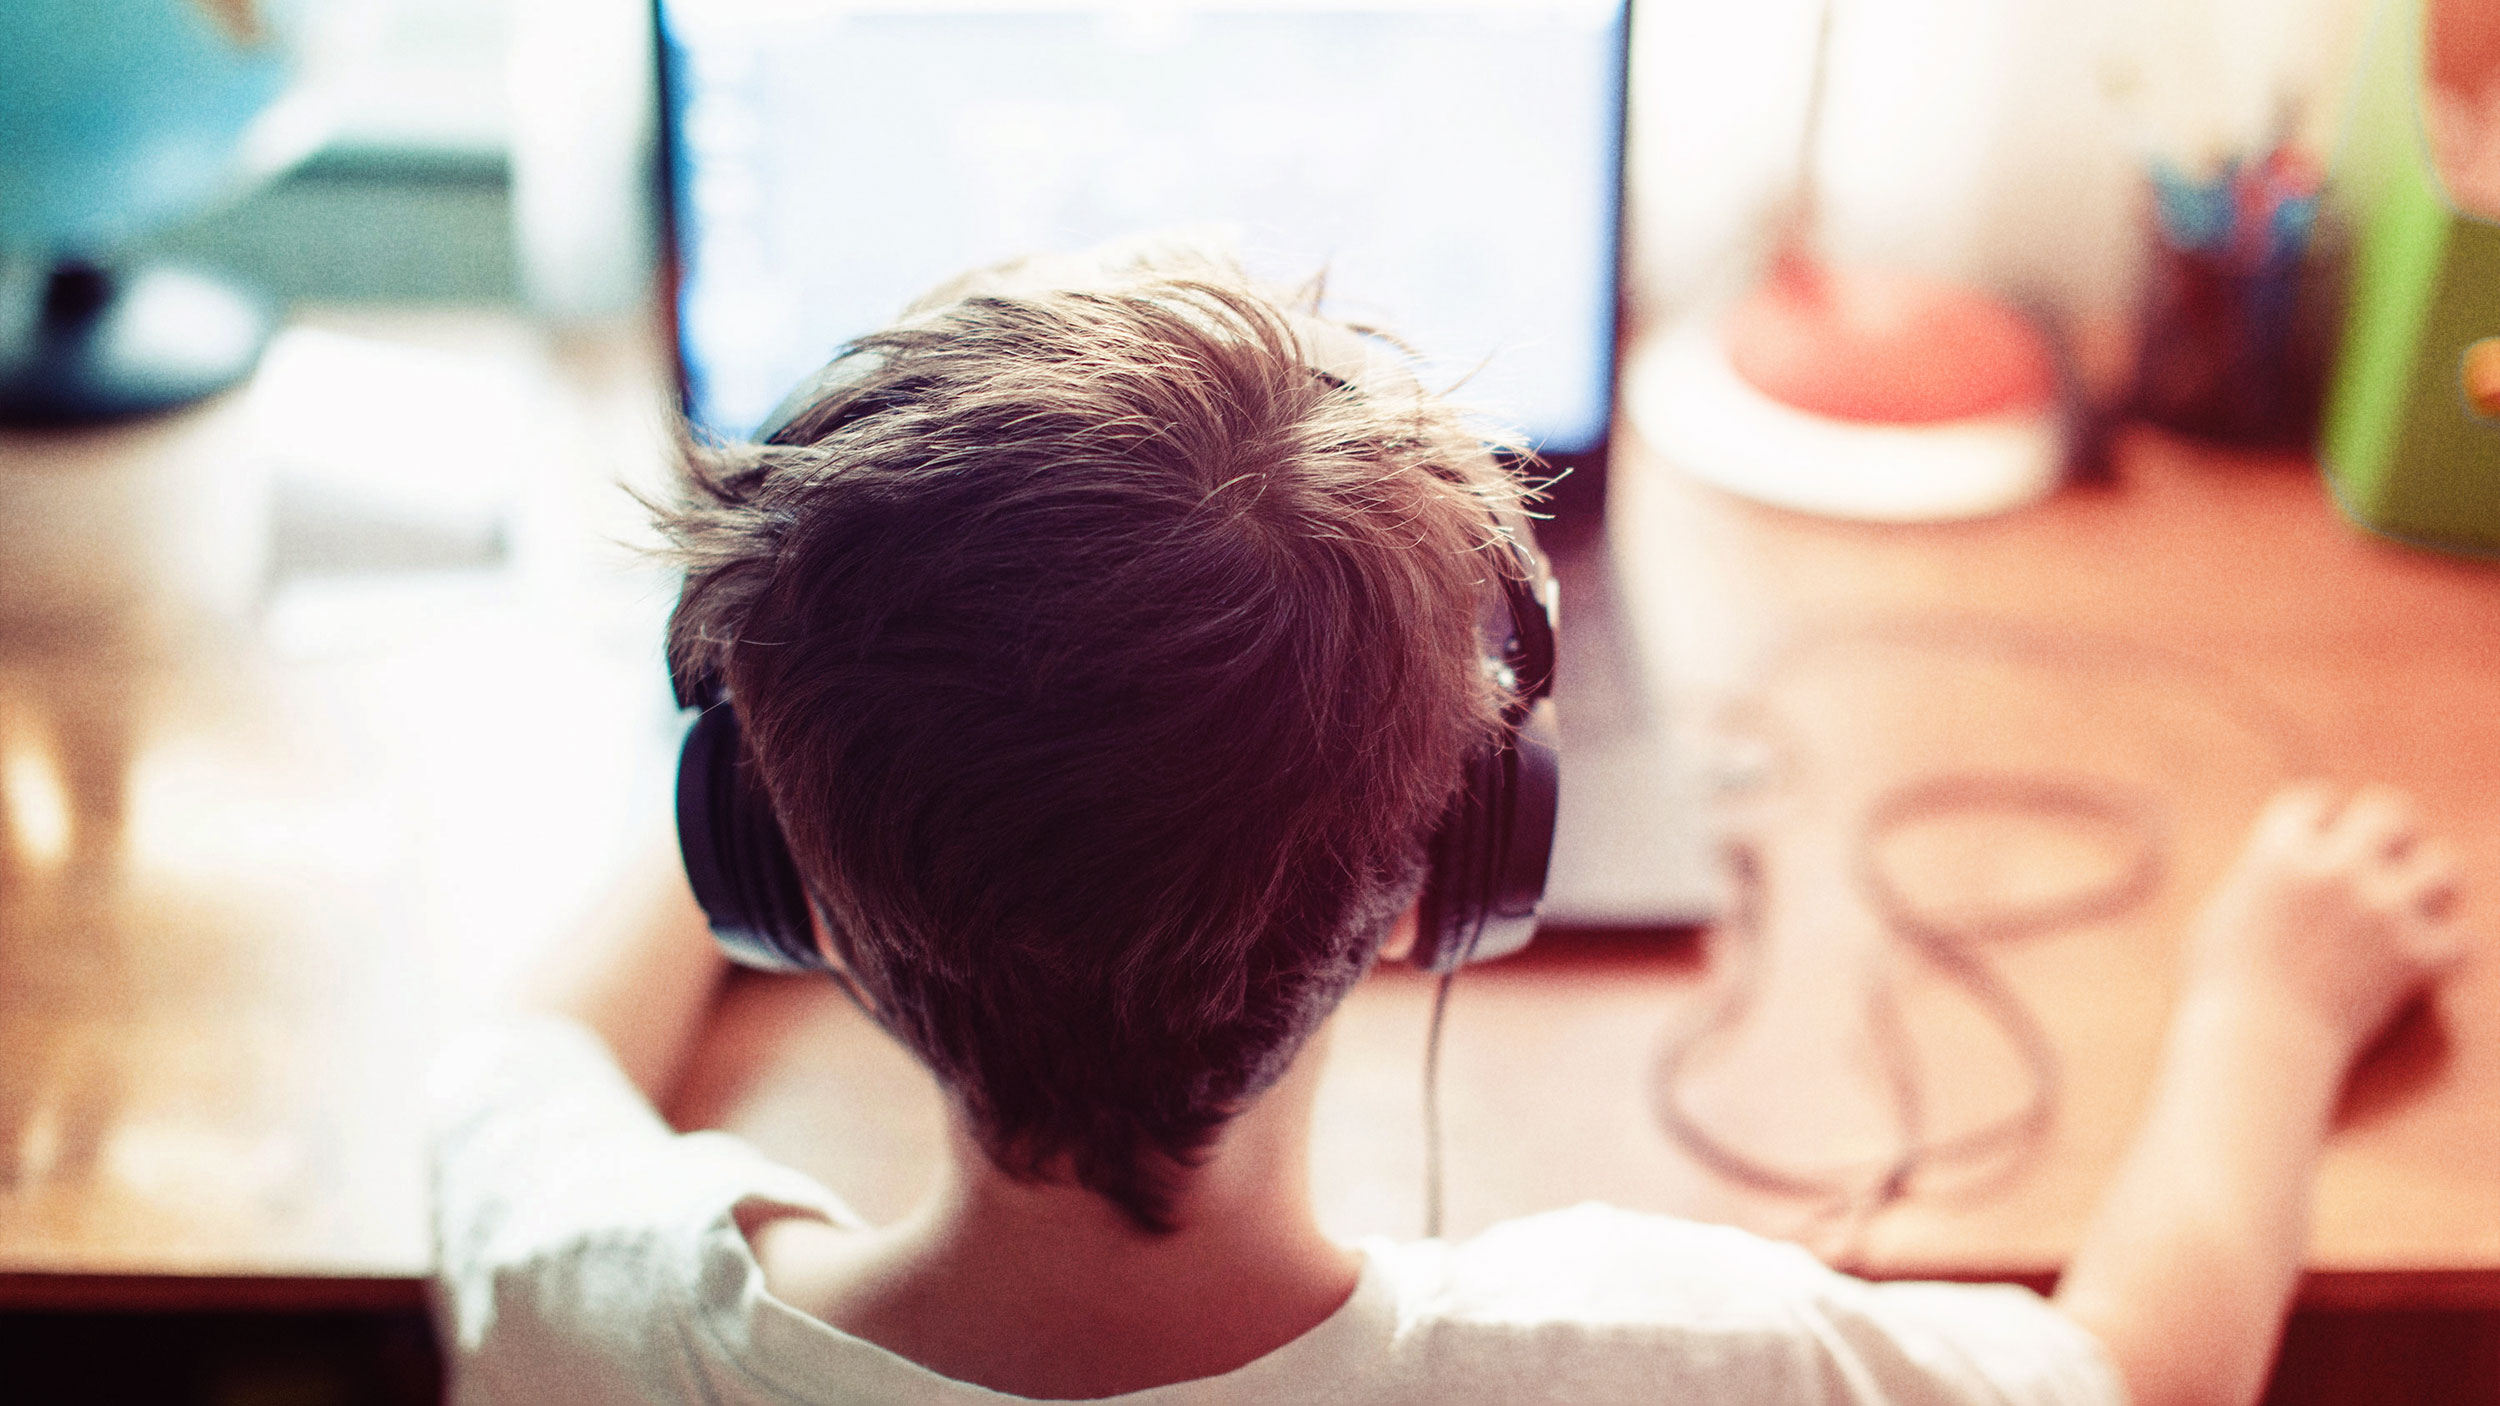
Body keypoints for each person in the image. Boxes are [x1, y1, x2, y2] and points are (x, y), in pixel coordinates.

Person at [429, 247, 2468, 1405]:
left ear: (769, 874)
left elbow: (512, 1065)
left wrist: (815, 754)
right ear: (1455, 870)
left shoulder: (593, 1300)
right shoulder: (1655, 1363)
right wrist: (2266, 1014)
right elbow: (2140, 1374)